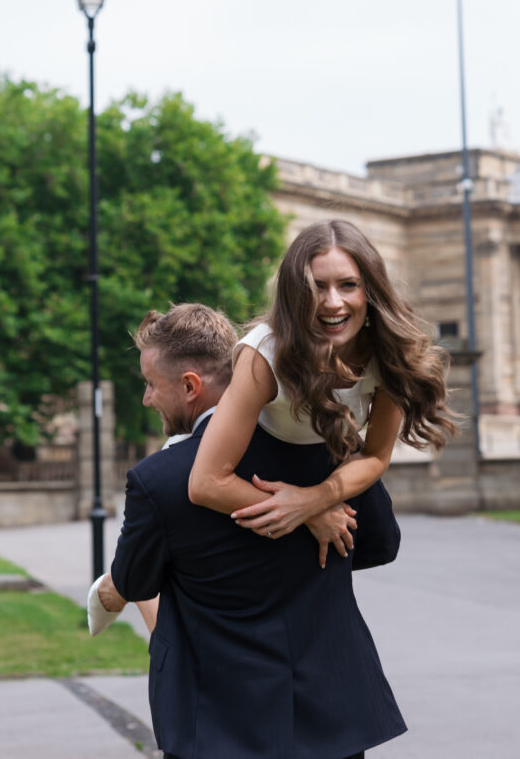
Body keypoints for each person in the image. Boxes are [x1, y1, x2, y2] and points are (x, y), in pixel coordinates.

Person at [89, 302, 406, 759]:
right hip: (327, 717)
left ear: (190, 386)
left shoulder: (161, 480)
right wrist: (322, 495)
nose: (146, 398)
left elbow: (133, 578)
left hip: (214, 732)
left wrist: (104, 598)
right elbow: (378, 545)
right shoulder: (320, 448)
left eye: (149, 383)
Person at [189, 219, 456, 565]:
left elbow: (376, 456)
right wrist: (310, 512)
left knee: (379, 543)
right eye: (317, 287)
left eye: (348, 285)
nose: (333, 302)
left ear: (369, 290)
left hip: (325, 484)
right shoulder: (263, 355)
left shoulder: (387, 352)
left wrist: (313, 500)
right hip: (255, 484)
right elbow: (206, 482)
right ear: (296, 294)